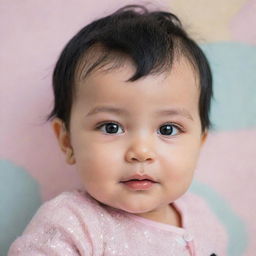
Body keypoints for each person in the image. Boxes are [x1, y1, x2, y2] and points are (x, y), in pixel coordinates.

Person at [8, 4, 228, 256]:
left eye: (167, 129)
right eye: (111, 127)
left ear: (199, 144)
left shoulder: (205, 219)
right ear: (68, 142)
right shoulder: (71, 225)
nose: (141, 152)